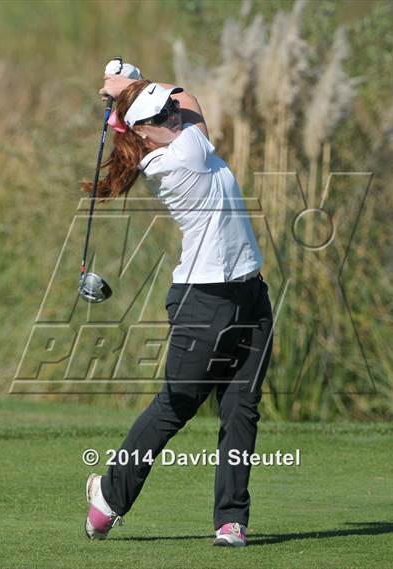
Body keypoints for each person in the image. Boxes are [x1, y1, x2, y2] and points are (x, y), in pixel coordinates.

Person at [84, 60, 274, 547]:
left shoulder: (175, 142)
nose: (174, 115)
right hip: (202, 301)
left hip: (250, 294)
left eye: (169, 111)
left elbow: (179, 107)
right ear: (145, 133)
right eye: (162, 116)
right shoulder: (181, 156)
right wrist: (132, 85)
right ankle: (109, 494)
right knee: (176, 406)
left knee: (242, 409)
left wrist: (126, 95)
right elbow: (192, 101)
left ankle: (231, 520)